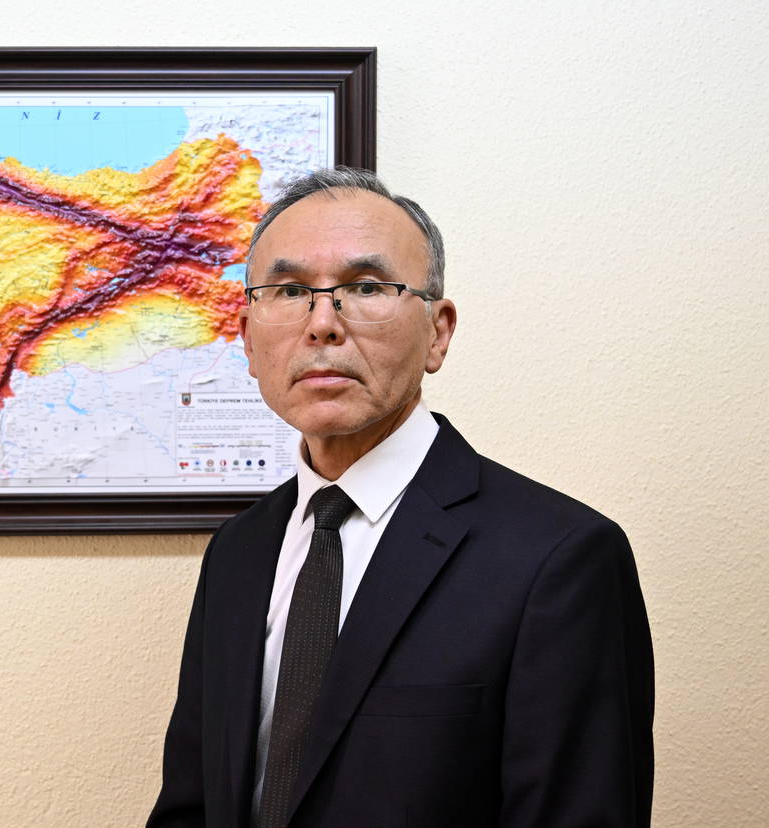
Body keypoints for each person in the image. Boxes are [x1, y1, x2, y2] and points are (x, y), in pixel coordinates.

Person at [146, 166, 653, 827]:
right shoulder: (238, 551)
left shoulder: (558, 558)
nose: (321, 324)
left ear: (438, 332)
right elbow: (192, 805)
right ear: (246, 337)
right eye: (290, 290)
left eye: (365, 287)